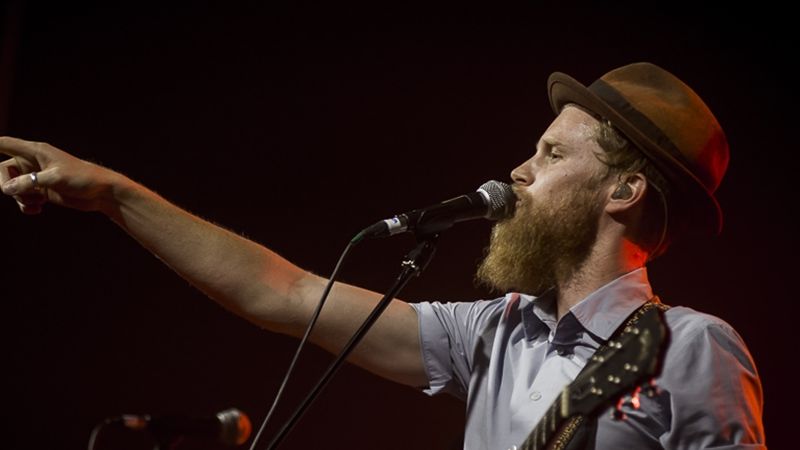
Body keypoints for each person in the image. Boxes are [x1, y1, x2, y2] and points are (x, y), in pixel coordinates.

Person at [0, 62, 765, 449]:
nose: (519, 170)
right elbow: (283, 293)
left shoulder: (692, 348)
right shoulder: (493, 333)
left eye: (551, 152)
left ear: (624, 188)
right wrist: (113, 195)